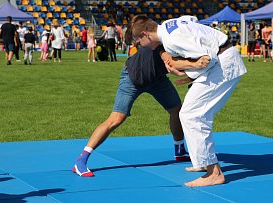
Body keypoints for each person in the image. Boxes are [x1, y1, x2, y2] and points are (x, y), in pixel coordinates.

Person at [73, 26, 210, 177]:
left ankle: (179, 149)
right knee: (116, 118)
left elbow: (176, 68)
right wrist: (196, 65)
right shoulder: (159, 40)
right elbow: (173, 66)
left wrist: (195, 71)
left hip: (157, 79)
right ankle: (81, 160)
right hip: (133, 77)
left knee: (177, 110)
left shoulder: (180, 43)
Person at [132, 15, 247, 187]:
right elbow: (192, 19)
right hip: (222, 59)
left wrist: (185, 73)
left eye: (139, 41)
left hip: (222, 65)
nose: (140, 46)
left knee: (192, 115)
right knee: (192, 114)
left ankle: (213, 172)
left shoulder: (171, 40)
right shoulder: (171, 24)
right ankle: (202, 161)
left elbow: (207, 59)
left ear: (145, 34)